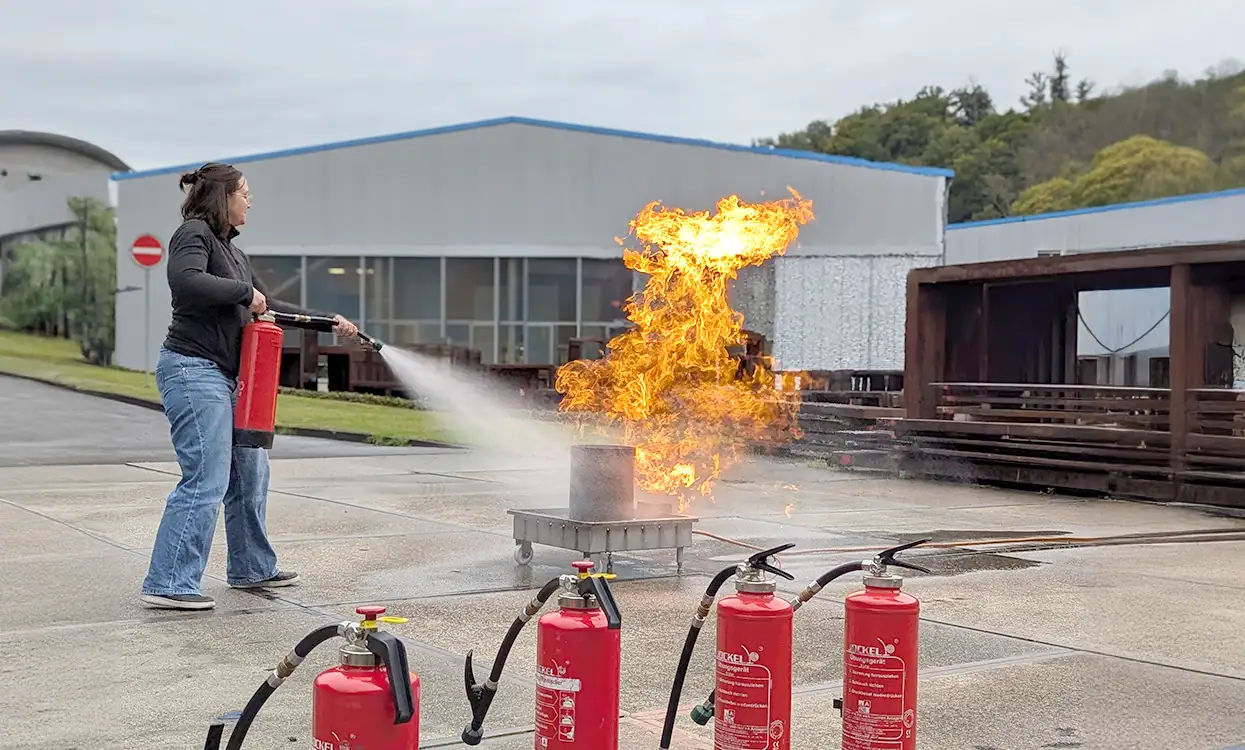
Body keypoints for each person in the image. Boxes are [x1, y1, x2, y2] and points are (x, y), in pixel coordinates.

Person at [140, 161, 359, 611]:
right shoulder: (194, 234)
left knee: (250, 473)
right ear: (224, 197)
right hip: (192, 369)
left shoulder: (233, 252)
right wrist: (243, 295)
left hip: (226, 376)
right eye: (244, 192)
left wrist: (328, 322)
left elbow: (268, 306)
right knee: (207, 476)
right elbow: (185, 282)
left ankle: (251, 567)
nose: (250, 200)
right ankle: (167, 582)